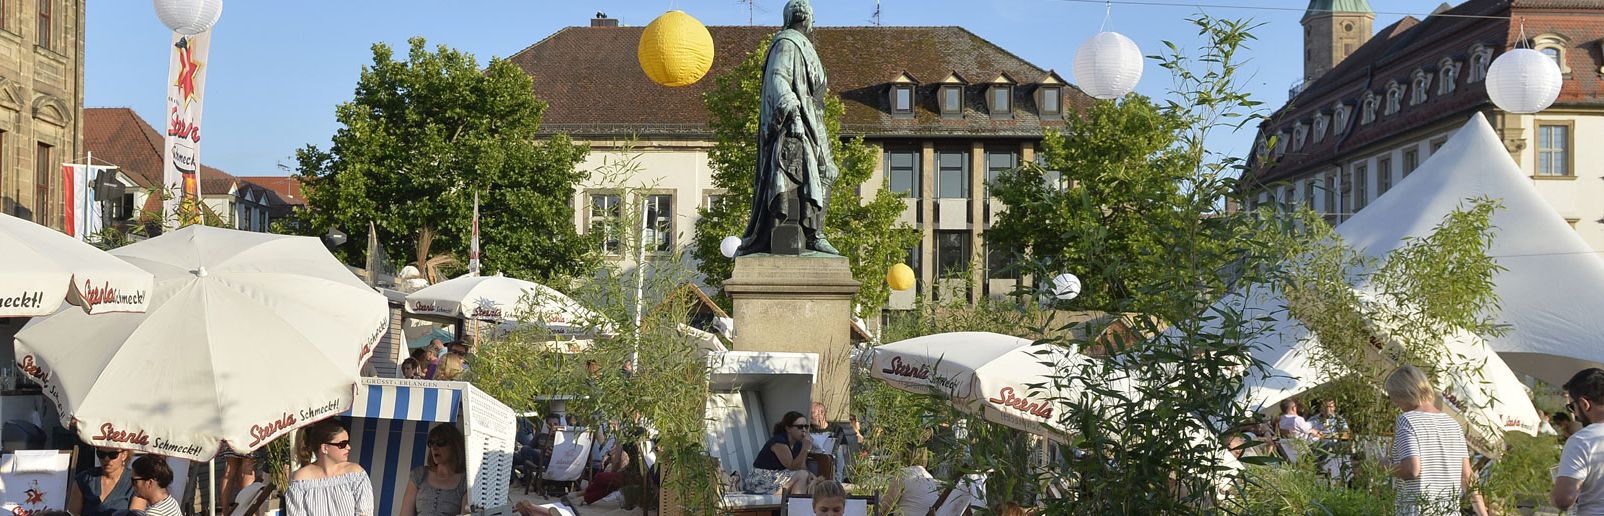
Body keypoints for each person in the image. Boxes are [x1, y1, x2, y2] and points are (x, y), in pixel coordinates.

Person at [734, 0, 841, 256]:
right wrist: (793, 115)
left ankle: (814, 232)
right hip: (797, 121)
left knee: (829, 171)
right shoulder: (786, 43)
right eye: (812, 16)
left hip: (814, 118)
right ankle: (812, 234)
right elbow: (778, 80)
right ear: (806, 18)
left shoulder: (802, 45)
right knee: (809, 173)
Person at [1386, 365, 1487, 516]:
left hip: (1418, 509)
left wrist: (1386, 466)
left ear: (1403, 394)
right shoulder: (1452, 423)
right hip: (1448, 511)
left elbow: (1412, 469)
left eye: (1394, 398)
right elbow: (1467, 476)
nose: (1395, 403)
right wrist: (1483, 513)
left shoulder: (1407, 420)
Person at [284, 419, 375, 516]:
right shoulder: (301, 480)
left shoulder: (356, 475)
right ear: (324, 448)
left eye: (347, 442)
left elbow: (365, 513)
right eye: (342, 444)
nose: (348, 447)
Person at [1552, 368, 1604, 512]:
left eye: (1572, 406)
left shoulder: (1582, 440)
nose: (1574, 413)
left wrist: (1555, 492)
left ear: (1584, 404)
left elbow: (1564, 499)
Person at [402, 424, 468, 516]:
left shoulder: (465, 482)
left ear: (454, 445)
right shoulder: (419, 475)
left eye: (440, 442)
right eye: (431, 443)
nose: (434, 447)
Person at [747, 411, 815, 495]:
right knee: (803, 475)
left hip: (779, 476)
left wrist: (810, 475)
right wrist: (805, 448)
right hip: (761, 479)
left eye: (806, 426)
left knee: (810, 478)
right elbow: (792, 466)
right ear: (788, 429)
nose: (804, 430)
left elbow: (802, 467)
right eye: (800, 427)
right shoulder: (779, 442)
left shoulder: (799, 443)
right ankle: (795, 502)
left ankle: (796, 501)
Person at [66, 447, 145, 516]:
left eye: (113, 455)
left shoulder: (136, 481)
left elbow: (135, 513)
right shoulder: (83, 479)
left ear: (124, 455)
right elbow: (73, 513)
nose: (106, 459)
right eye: (101, 454)